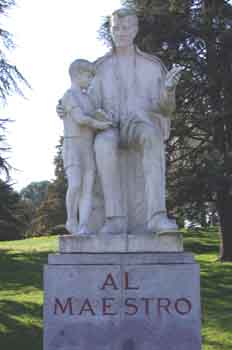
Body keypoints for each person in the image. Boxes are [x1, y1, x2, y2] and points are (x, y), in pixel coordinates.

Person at [88, 8, 182, 234]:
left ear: (135, 30)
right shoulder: (99, 67)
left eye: (127, 27)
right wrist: (68, 107)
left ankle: (157, 216)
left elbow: (166, 108)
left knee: (151, 136)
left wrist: (168, 91)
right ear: (111, 30)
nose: (121, 32)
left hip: (139, 123)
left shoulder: (152, 65)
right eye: (116, 28)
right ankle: (115, 218)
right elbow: (89, 104)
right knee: (102, 144)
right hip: (110, 125)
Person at [59, 59, 113, 235]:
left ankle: (83, 226)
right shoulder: (68, 95)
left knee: (87, 188)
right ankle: (71, 219)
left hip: (87, 147)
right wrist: (99, 124)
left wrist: (103, 118)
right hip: (73, 145)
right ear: (77, 75)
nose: (90, 80)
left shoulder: (88, 98)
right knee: (75, 185)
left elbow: (95, 113)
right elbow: (81, 119)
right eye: (88, 76)